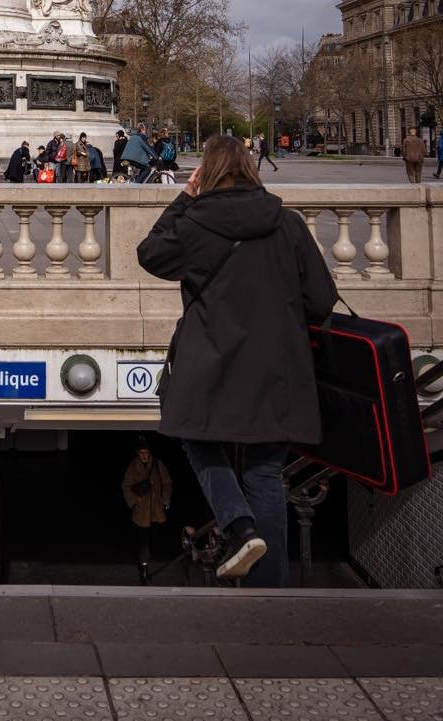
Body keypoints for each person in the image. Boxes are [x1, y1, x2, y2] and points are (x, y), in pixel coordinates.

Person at [136, 135, 336, 585]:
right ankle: (272, 589)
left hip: (214, 363)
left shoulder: (195, 225)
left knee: (196, 438)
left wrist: (184, 199)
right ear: (250, 168)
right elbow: (321, 300)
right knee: (265, 472)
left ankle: (238, 525)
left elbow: (150, 254)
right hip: (279, 369)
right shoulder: (288, 224)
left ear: (204, 173)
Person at [122, 436, 172, 585]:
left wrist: (166, 500)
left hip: (156, 508)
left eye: (146, 452)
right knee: (143, 540)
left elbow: (167, 482)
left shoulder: (158, 464)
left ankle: (149, 553)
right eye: (141, 453)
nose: (144, 455)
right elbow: (126, 485)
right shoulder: (133, 467)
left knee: (154, 534)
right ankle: (144, 568)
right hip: (142, 510)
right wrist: (134, 502)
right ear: (138, 453)